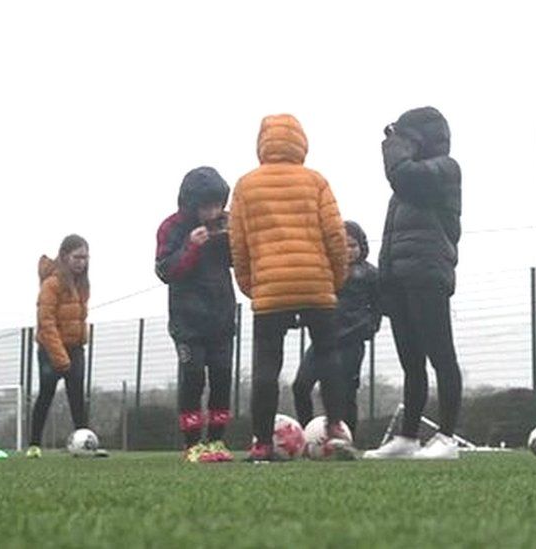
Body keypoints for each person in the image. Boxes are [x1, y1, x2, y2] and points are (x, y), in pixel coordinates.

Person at [228, 114, 352, 462]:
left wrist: (252, 286)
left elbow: (238, 245)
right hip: (316, 283)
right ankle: (335, 431)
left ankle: (263, 443)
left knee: (267, 365)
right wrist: (336, 279)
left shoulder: (246, 185)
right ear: (301, 142)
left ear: (262, 143)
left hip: (270, 288)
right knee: (329, 356)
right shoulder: (316, 181)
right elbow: (335, 236)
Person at [365, 107, 463, 460]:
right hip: (401, 278)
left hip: (427, 274)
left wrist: (394, 147)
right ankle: (408, 439)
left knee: (441, 355)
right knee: (411, 362)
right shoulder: (407, 185)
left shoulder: (444, 169)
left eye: (407, 137)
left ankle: (447, 438)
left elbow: (403, 175)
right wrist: (385, 279)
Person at [155, 167, 236, 463]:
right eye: (206, 205)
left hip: (222, 316)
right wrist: (191, 246)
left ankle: (217, 440)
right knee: (193, 377)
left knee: (223, 378)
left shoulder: (227, 225)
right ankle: (192, 444)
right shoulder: (171, 228)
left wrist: (232, 238)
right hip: (188, 320)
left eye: (217, 205)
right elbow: (165, 270)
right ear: (190, 204)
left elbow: (238, 261)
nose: (212, 212)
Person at [292, 221, 380, 439]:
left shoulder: (370, 274)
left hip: (352, 341)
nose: (348, 251)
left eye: (352, 245)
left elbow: (379, 305)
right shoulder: (325, 271)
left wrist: (370, 326)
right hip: (323, 339)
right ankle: (307, 434)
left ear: (362, 246)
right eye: (343, 245)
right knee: (300, 385)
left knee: (345, 393)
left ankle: (345, 439)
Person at [26, 235, 92, 458]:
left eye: (85, 257)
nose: (81, 262)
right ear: (64, 256)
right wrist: (60, 357)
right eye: (77, 257)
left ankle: (84, 444)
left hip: (75, 348)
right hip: (50, 349)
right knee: (46, 394)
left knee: (77, 396)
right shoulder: (51, 284)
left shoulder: (82, 283)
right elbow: (46, 322)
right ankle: (34, 445)